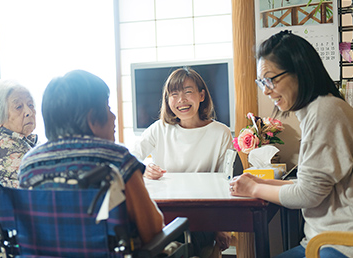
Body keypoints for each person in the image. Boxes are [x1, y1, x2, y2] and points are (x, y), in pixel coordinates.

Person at [229, 30, 353, 258]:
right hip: (322, 240)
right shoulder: (318, 109)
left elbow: (307, 195)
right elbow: (310, 185)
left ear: (300, 71)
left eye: (270, 79)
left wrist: (254, 188)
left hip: (338, 244)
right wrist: (258, 181)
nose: (265, 90)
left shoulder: (325, 111)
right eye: (261, 82)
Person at [18, 70, 164, 245]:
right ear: (92, 118)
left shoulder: (29, 164)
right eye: (108, 108)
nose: (113, 116)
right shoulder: (117, 159)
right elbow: (152, 230)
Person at [131, 67, 233, 257]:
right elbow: (130, 159)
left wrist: (221, 227)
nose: (181, 100)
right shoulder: (159, 129)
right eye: (174, 94)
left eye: (188, 92)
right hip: (166, 213)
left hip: (203, 214)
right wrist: (144, 169)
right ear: (167, 100)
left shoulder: (221, 133)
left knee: (187, 242)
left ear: (202, 95)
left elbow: (225, 184)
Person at [0, 79, 37, 188]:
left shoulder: (21, 141)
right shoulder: (3, 147)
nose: (29, 112)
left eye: (30, 104)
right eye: (19, 107)